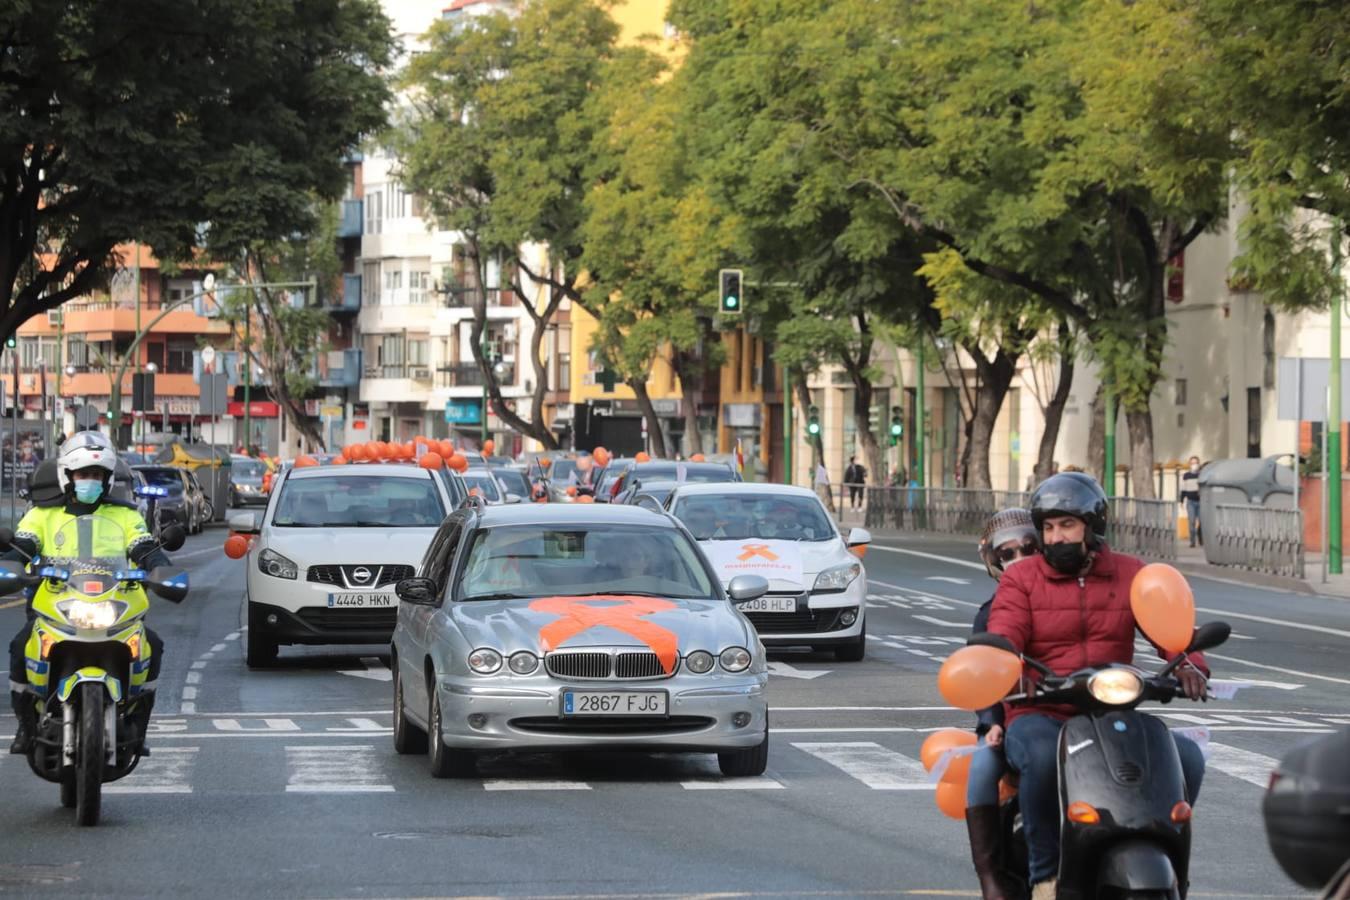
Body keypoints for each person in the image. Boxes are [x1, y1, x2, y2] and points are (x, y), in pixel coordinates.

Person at [987, 473, 1210, 899]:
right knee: (1038, 755)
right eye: (1048, 528)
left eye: (1067, 525)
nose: (1056, 538)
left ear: (1092, 527)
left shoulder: (1132, 574)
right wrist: (1003, 664)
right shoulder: (1021, 580)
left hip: (1110, 714)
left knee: (1187, 758)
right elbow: (1005, 634)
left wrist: (1189, 663)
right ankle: (1046, 875)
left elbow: (1171, 632)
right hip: (1041, 711)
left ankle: (1174, 870)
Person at [7, 432, 173, 755]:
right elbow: (24, 544)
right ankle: (25, 726)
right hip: (55, 606)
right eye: (84, 474)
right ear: (67, 476)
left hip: (114, 607)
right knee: (18, 648)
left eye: (97, 475)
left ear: (107, 479)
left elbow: (144, 547)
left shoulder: (126, 516)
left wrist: (159, 567)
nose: (90, 481)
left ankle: (139, 724)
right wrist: (11, 562)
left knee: (153, 645)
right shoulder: (42, 515)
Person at [966, 508, 1040, 900]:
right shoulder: (989, 614)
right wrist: (992, 722)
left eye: (1028, 548)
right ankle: (991, 877)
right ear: (993, 564)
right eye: (1007, 555)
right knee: (981, 767)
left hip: (1071, 716)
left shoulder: (1063, 591)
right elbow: (983, 677)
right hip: (1011, 721)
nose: (1019, 560)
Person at [1182, 455, 1202, 547]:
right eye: (1192, 463)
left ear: (1199, 464)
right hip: (1190, 502)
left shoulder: (1201, 475)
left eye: (1196, 463)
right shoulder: (1186, 476)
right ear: (1189, 464)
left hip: (1200, 502)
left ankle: (1201, 539)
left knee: (1201, 522)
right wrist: (1181, 500)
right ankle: (1192, 541)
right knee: (1192, 522)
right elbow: (1183, 489)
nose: (1194, 465)